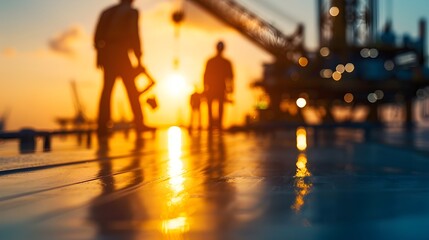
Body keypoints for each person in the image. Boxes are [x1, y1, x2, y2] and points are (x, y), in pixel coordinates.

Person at [94, 0, 145, 136]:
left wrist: (99, 55)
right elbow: (134, 34)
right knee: (131, 89)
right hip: (121, 54)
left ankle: (102, 126)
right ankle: (139, 124)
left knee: (107, 90)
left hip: (107, 54)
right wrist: (138, 58)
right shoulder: (131, 12)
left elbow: (97, 36)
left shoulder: (107, 12)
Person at [203, 41, 234, 130]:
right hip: (217, 88)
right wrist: (231, 88)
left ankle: (214, 124)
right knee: (218, 106)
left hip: (215, 88)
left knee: (216, 106)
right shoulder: (225, 62)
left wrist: (205, 87)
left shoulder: (212, 61)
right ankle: (216, 124)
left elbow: (230, 77)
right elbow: (230, 77)